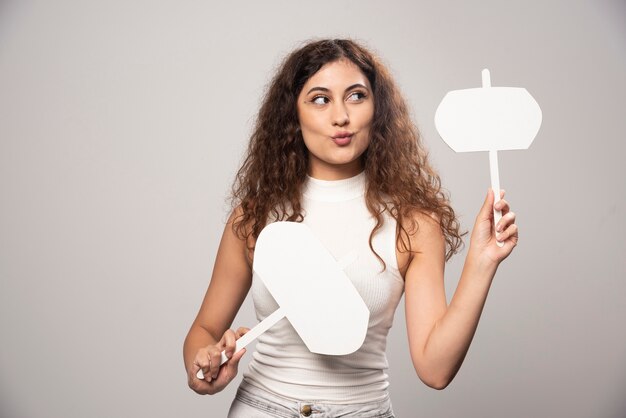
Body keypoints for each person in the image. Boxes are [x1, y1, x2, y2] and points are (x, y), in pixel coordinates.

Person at [183, 38, 518, 417]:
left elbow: (435, 369)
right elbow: (204, 331)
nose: (341, 116)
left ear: (377, 110)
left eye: (356, 96)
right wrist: (203, 362)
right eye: (320, 99)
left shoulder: (414, 222)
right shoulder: (254, 217)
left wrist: (483, 260)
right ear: (293, 115)